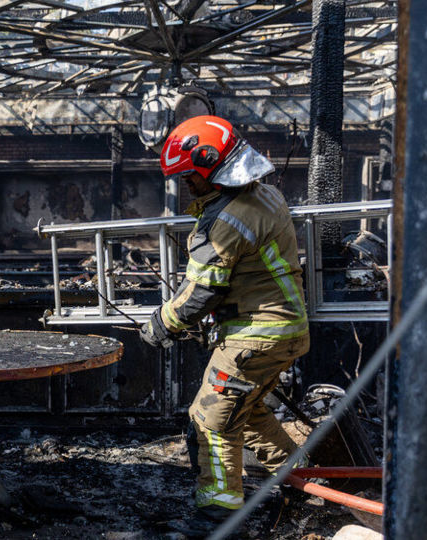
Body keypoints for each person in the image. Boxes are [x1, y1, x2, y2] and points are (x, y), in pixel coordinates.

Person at [140, 115, 310, 531]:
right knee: (247, 414)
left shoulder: (224, 223)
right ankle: (302, 480)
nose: (186, 185)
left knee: (210, 419)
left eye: (189, 176)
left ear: (211, 167)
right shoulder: (265, 195)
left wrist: (161, 323)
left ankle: (219, 518)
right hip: (287, 329)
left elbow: (201, 292)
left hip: (257, 334)